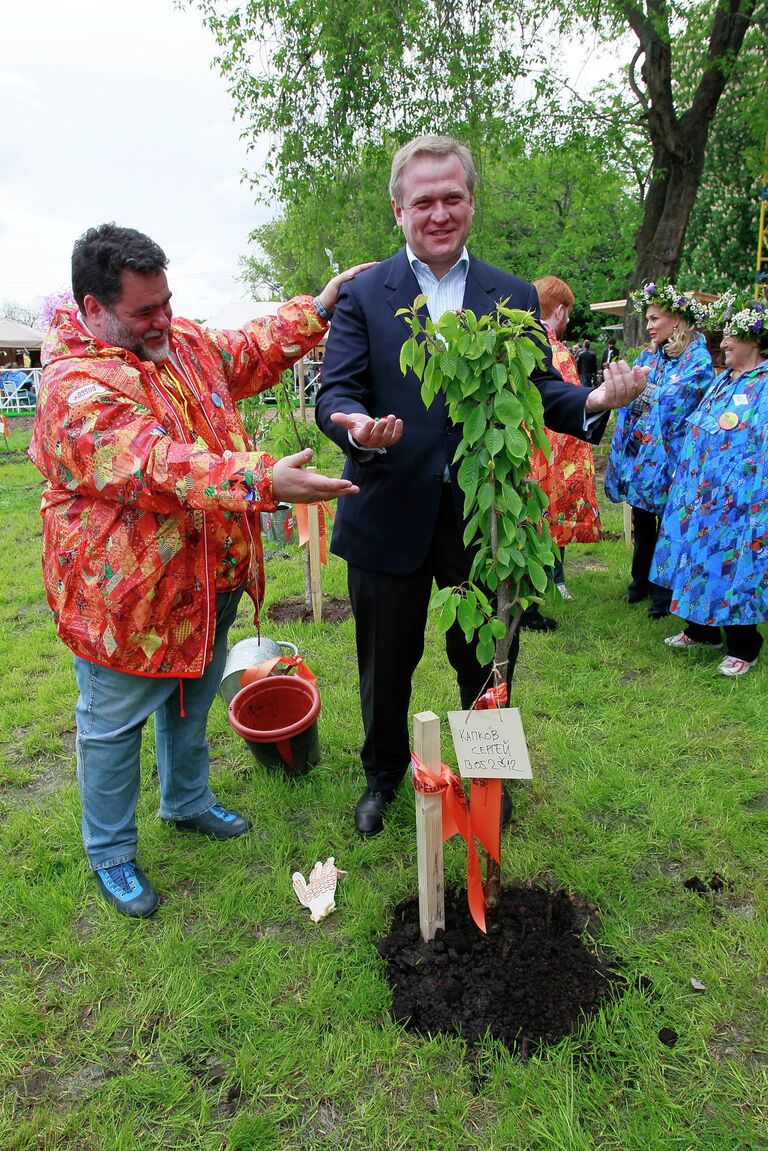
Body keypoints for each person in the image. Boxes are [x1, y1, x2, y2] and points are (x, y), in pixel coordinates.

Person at [29, 223, 368, 917]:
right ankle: (112, 852)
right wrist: (261, 479)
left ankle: (186, 800)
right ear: (93, 309)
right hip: (125, 600)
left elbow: (240, 351)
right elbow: (157, 464)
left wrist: (320, 308)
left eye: (167, 302)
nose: (164, 321)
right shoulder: (75, 386)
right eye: (144, 311)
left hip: (205, 574)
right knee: (113, 725)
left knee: (192, 696)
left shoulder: (176, 341)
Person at [314, 134, 648, 836]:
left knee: (489, 652)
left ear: (471, 202)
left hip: (486, 511)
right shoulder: (365, 295)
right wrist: (355, 427)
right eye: (424, 200)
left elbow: (539, 390)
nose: (439, 212)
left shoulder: (512, 292)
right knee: (385, 662)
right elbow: (335, 391)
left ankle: (487, 770)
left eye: (452, 197)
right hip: (386, 503)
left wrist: (592, 401)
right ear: (398, 209)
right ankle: (381, 779)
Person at [653, 290, 767, 676]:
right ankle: (701, 631)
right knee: (696, 561)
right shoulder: (726, 380)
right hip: (701, 496)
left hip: (741, 501)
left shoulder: (764, 385)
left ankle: (744, 646)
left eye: (732, 336)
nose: (723, 343)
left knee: (735, 568)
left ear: (754, 339)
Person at [604, 279, 715, 618]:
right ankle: (639, 582)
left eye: (655, 319)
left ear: (677, 321)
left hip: (672, 457)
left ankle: (662, 594)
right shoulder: (650, 355)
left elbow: (676, 401)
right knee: (643, 517)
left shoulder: (697, 360)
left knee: (669, 521)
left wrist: (648, 393)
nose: (649, 326)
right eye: (648, 319)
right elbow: (634, 396)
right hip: (643, 453)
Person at [531, 276, 601, 601]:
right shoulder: (553, 349)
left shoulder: (523, 345)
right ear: (559, 311)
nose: (569, 320)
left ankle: (549, 577)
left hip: (532, 456)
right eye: (568, 312)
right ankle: (550, 578)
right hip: (549, 459)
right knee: (549, 513)